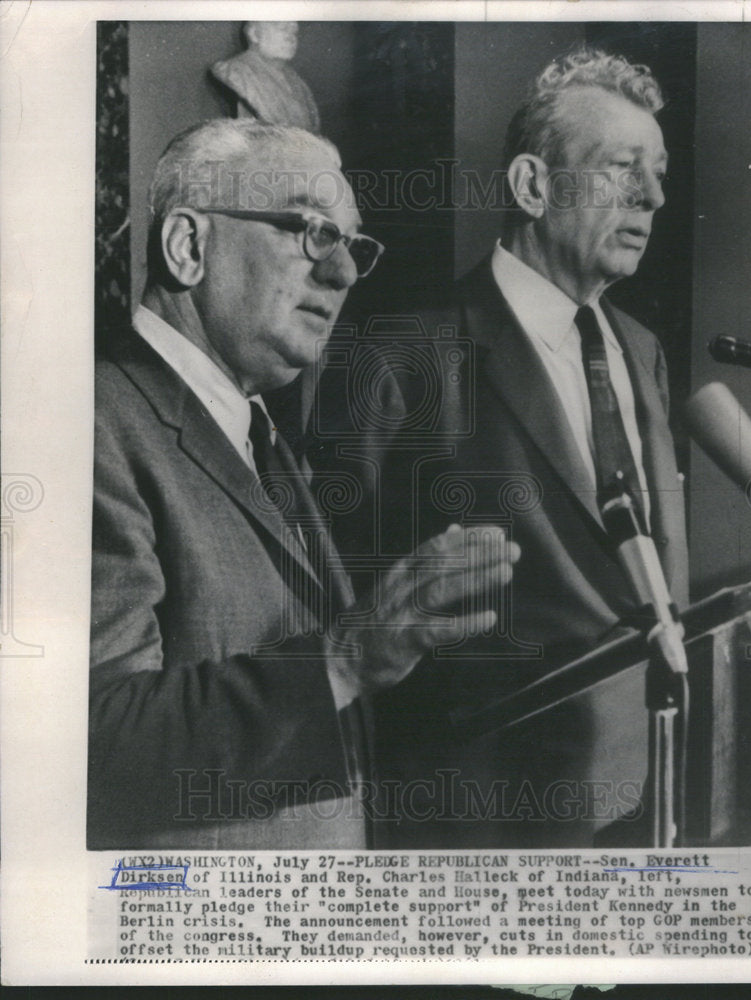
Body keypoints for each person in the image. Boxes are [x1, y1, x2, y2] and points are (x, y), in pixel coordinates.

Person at [88, 119, 519, 849]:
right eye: (312, 230)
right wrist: (347, 657)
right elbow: (95, 746)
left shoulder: (261, 434)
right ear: (189, 247)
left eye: (352, 244)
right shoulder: (88, 421)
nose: (344, 274)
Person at [359, 48, 689, 847]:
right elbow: (344, 599)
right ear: (532, 187)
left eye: (659, 171)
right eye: (622, 168)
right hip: (481, 816)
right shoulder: (404, 352)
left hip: (652, 791)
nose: (653, 195)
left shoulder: (639, 346)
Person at [211, 22, 320, 132]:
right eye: (282, 28)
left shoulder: (297, 81)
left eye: (294, 32)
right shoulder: (235, 71)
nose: (291, 38)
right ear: (254, 34)